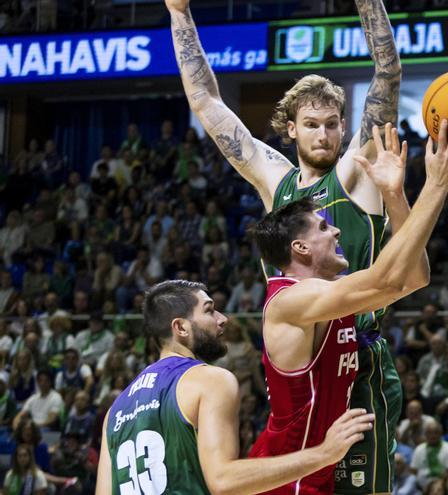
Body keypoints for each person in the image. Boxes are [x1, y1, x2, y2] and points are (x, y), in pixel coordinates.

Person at [167, 0, 416, 489]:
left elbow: (387, 71)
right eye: (311, 124)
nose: (323, 134)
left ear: (345, 127)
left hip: (353, 363)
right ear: (290, 129)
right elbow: (208, 104)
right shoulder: (275, 181)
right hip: (297, 368)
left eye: (331, 124)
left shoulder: (355, 173)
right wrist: (179, 13)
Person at [247, 122, 448, 494]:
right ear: (301, 249)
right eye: (324, 227)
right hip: (286, 477)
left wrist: (394, 196)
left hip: (316, 469)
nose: (337, 231)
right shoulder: (291, 301)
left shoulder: (332, 295)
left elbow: (413, 278)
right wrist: (436, 185)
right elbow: (388, 279)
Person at [95, 281, 376, 495]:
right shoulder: (210, 380)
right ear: (180, 327)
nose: (222, 319)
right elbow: (224, 480)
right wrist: (324, 453)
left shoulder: (116, 409)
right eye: (209, 310)